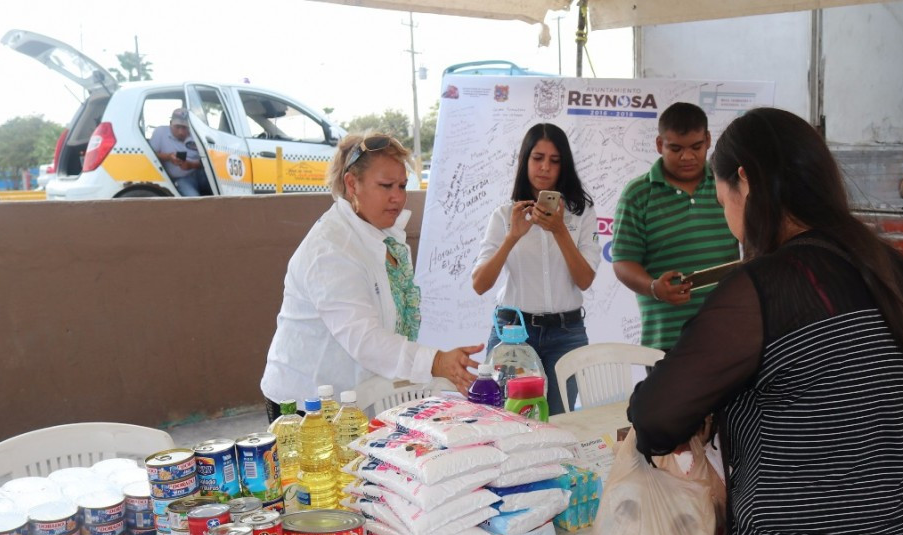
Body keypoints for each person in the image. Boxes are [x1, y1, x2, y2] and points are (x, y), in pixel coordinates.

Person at [627, 108, 903, 535]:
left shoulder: (767, 285)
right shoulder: (891, 266)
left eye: (722, 201)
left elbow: (656, 415)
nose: (726, 217)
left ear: (744, 181)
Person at [261, 132, 481, 420]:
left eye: (402, 185)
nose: (398, 197)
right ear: (352, 184)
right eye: (386, 186)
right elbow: (365, 341)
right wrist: (435, 361)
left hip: (361, 397)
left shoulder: (384, 234)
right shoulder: (331, 249)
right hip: (307, 407)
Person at [471, 123, 599, 415]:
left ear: (564, 166)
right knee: (505, 422)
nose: (545, 167)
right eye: (537, 158)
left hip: (566, 333)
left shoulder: (581, 214)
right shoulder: (505, 215)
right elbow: (479, 284)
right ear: (525, 160)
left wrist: (560, 231)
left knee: (558, 423)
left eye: (554, 161)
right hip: (512, 332)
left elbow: (585, 279)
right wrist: (512, 236)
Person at [611, 102, 740, 351]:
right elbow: (623, 262)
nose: (687, 156)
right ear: (660, 145)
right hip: (667, 341)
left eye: (696, 147)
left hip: (728, 333)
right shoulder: (638, 194)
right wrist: (654, 288)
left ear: (708, 140)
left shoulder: (727, 184)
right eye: (676, 148)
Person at [150, 107, 208, 197]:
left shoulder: (197, 135)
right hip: (181, 178)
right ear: (171, 124)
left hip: (200, 173)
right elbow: (150, 155)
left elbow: (208, 161)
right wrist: (168, 157)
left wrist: (191, 165)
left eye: (184, 128)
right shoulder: (160, 132)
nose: (180, 132)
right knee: (194, 199)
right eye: (177, 127)